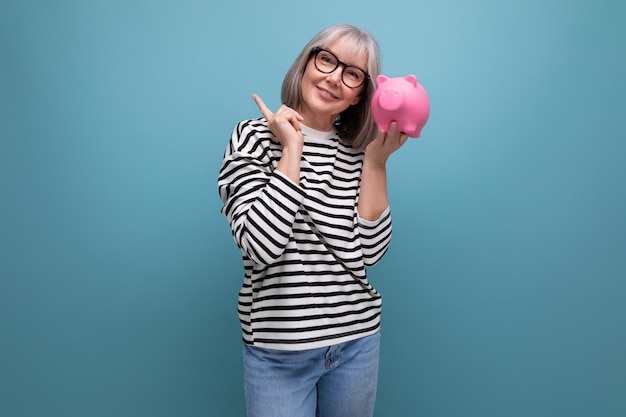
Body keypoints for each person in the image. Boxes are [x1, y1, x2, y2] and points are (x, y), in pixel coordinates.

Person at [217, 23, 409, 417]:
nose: (334, 78)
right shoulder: (251, 138)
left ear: (361, 94)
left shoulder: (360, 156)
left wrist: (375, 163)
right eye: (327, 60)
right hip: (278, 354)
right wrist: (291, 149)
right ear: (307, 63)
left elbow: (370, 252)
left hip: (356, 343)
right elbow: (260, 246)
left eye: (352, 74)